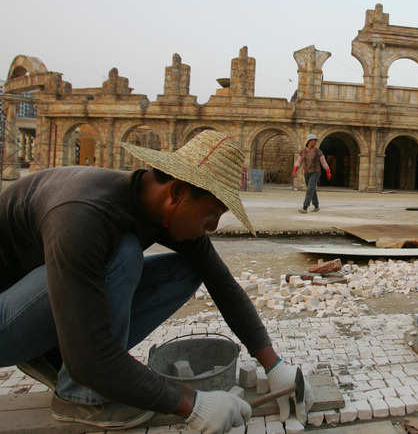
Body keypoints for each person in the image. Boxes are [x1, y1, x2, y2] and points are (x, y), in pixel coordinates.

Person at [0, 130, 312, 432]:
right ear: (176, 192)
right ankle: (81, 399)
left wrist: (273, 365)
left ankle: (52, 356)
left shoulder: (160, 207)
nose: (214, 226)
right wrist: (190, 404)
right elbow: (90, 359)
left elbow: (221, 282)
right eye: (212, 214)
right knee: (124, 254)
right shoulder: (83, 216)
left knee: (188, 270)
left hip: (48, 306)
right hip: (6, 320)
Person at [291, 133, 331, 213]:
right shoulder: (303, 151)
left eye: (316, 141)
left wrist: (328, 171)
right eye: (314, 140)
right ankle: (316, 206)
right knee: (312, 189)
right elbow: (299, 162)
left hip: (316, 172)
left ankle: (305, 207)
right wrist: (294, 170)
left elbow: (323, 162)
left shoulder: (317, 151)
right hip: (306, 172)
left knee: (309, 189)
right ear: (309, 141)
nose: (315, 142)